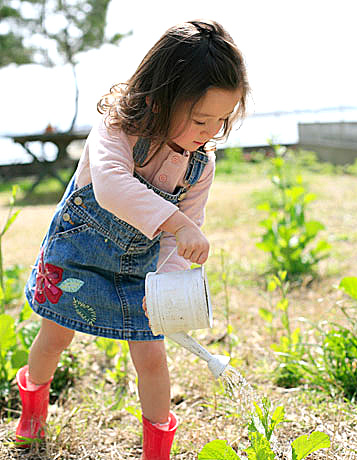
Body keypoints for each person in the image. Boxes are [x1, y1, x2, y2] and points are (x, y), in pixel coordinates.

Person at [15, 19, 249, 459]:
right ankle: (33, 410)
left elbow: (183, 236)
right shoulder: (117, 128)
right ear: (163, 98)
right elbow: (112, 185)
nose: (210, 132)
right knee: (54, 339)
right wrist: (178, 224)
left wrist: (167, 282)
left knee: (153, 359)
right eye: (201, 119)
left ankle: (157, 448)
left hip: (140, 272)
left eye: (221, 120)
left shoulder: (201, 165)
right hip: (78, 257)